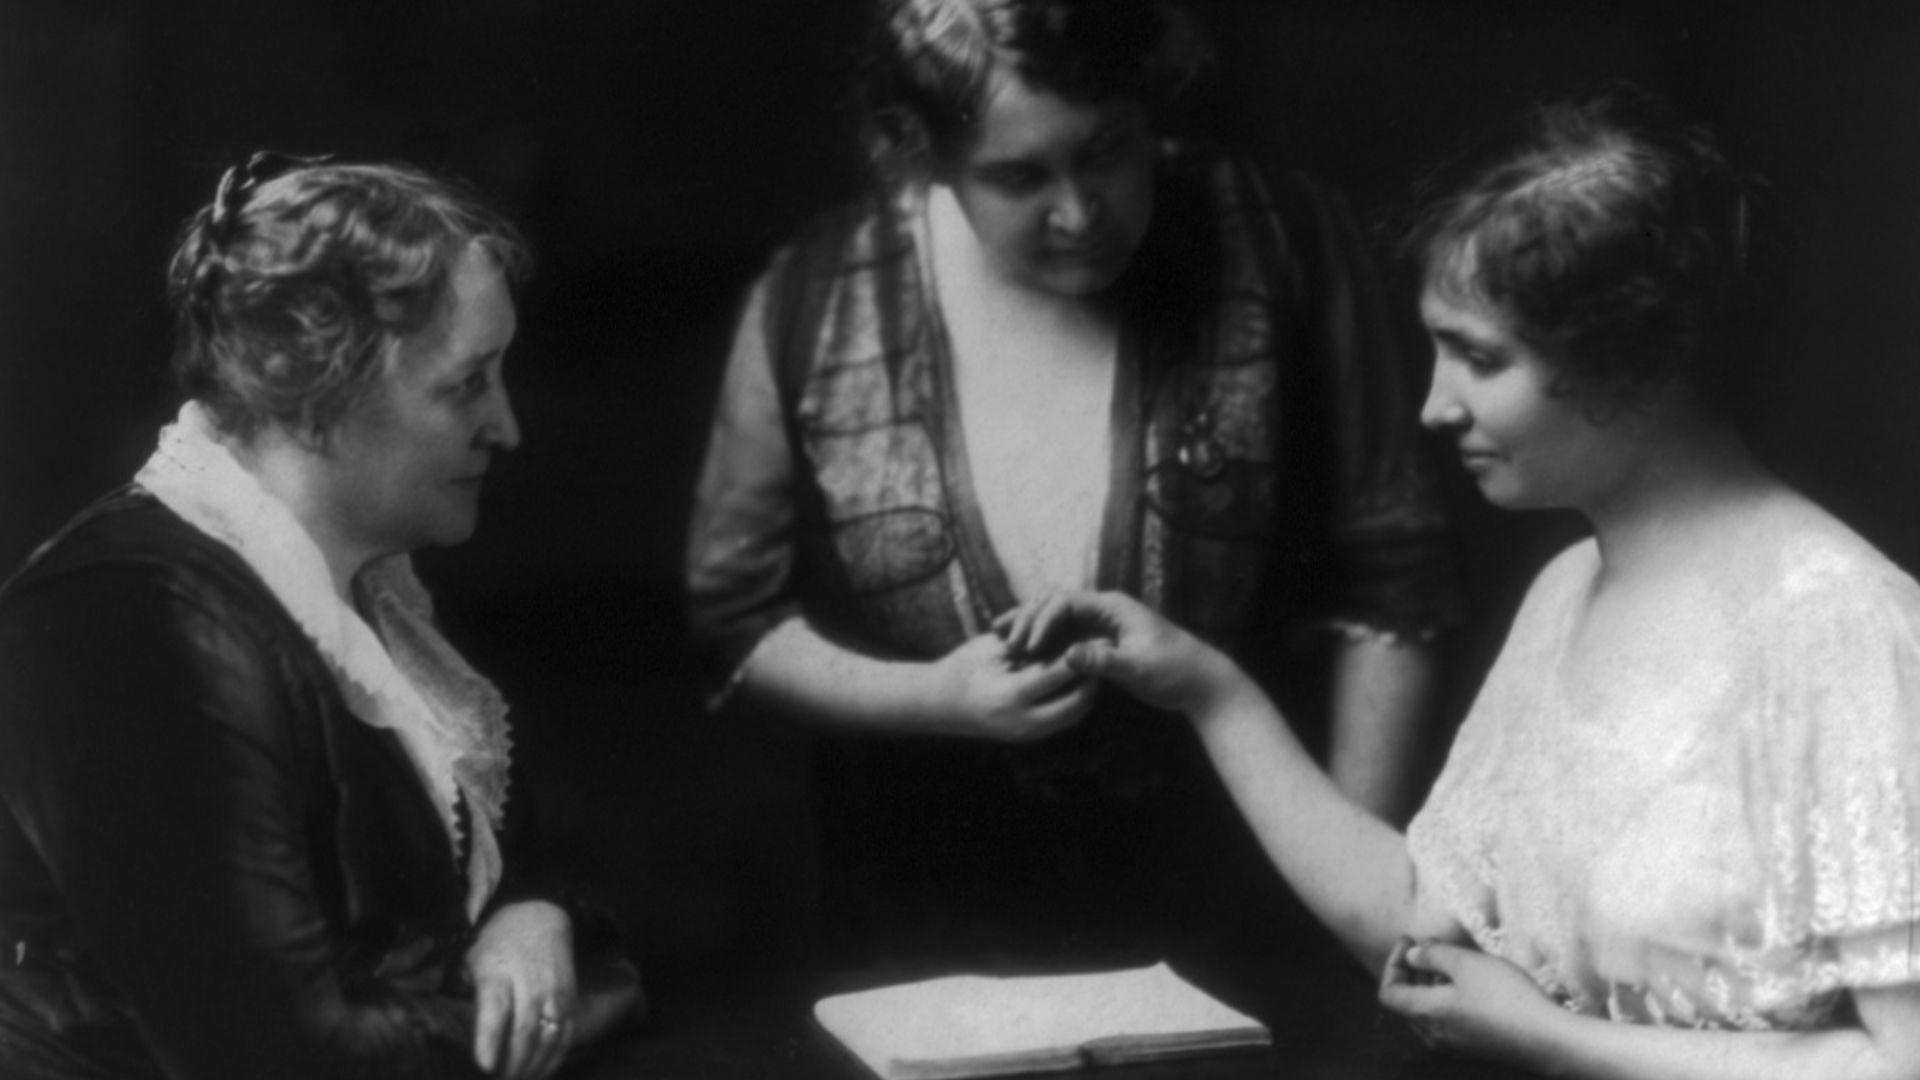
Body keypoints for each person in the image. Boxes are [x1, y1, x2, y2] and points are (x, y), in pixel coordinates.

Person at [997, 84, 1920, 1077]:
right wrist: (1205, 688)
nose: (1435, 406)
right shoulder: (1569, 590)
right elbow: (1423, 940)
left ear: (1637, 356)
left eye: (1480, 358)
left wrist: (1556, 1044)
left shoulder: (1844, 631)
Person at [686, 0, 1460, 967]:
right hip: (929, 918)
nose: (1080, 211)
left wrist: (1352, 888)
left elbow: (1395, 571)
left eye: (1107, 150)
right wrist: (932, 696)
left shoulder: (1283, 236)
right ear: (917, 154)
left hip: (1246, 896)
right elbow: (736, 611)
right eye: (1018, 176)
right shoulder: (815, 295)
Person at [0, 154, 638, 1080]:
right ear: (320, 393)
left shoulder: (363, 597)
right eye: (467, 384)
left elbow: (487, 895)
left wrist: (534, 919)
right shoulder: (135, 621)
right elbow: (278, 1055)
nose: (506, 427)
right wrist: (579, 1005)